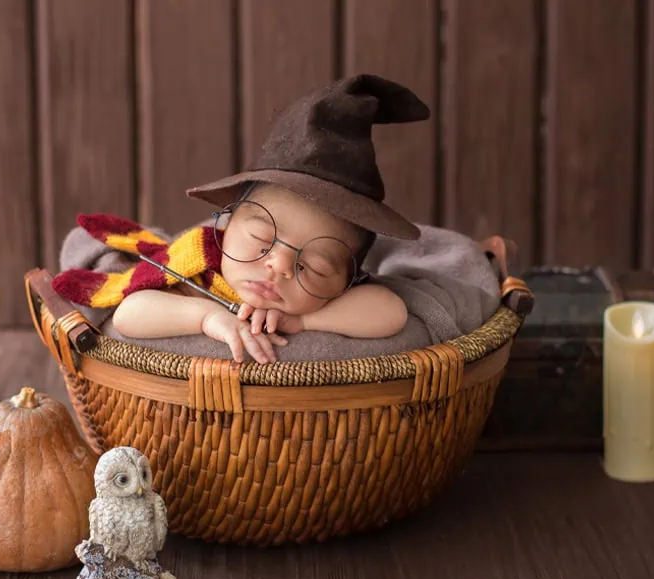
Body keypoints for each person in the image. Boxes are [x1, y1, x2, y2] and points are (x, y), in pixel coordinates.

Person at [67, 74, 433, 365]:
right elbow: (129, 315)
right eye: (261, 241)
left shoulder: (332, 303)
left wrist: (304, 322)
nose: (279, 266)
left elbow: (392, 313)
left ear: (346, 280)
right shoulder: (200, 270)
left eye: (315, 268)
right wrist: (207, 318)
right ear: (226, 226)